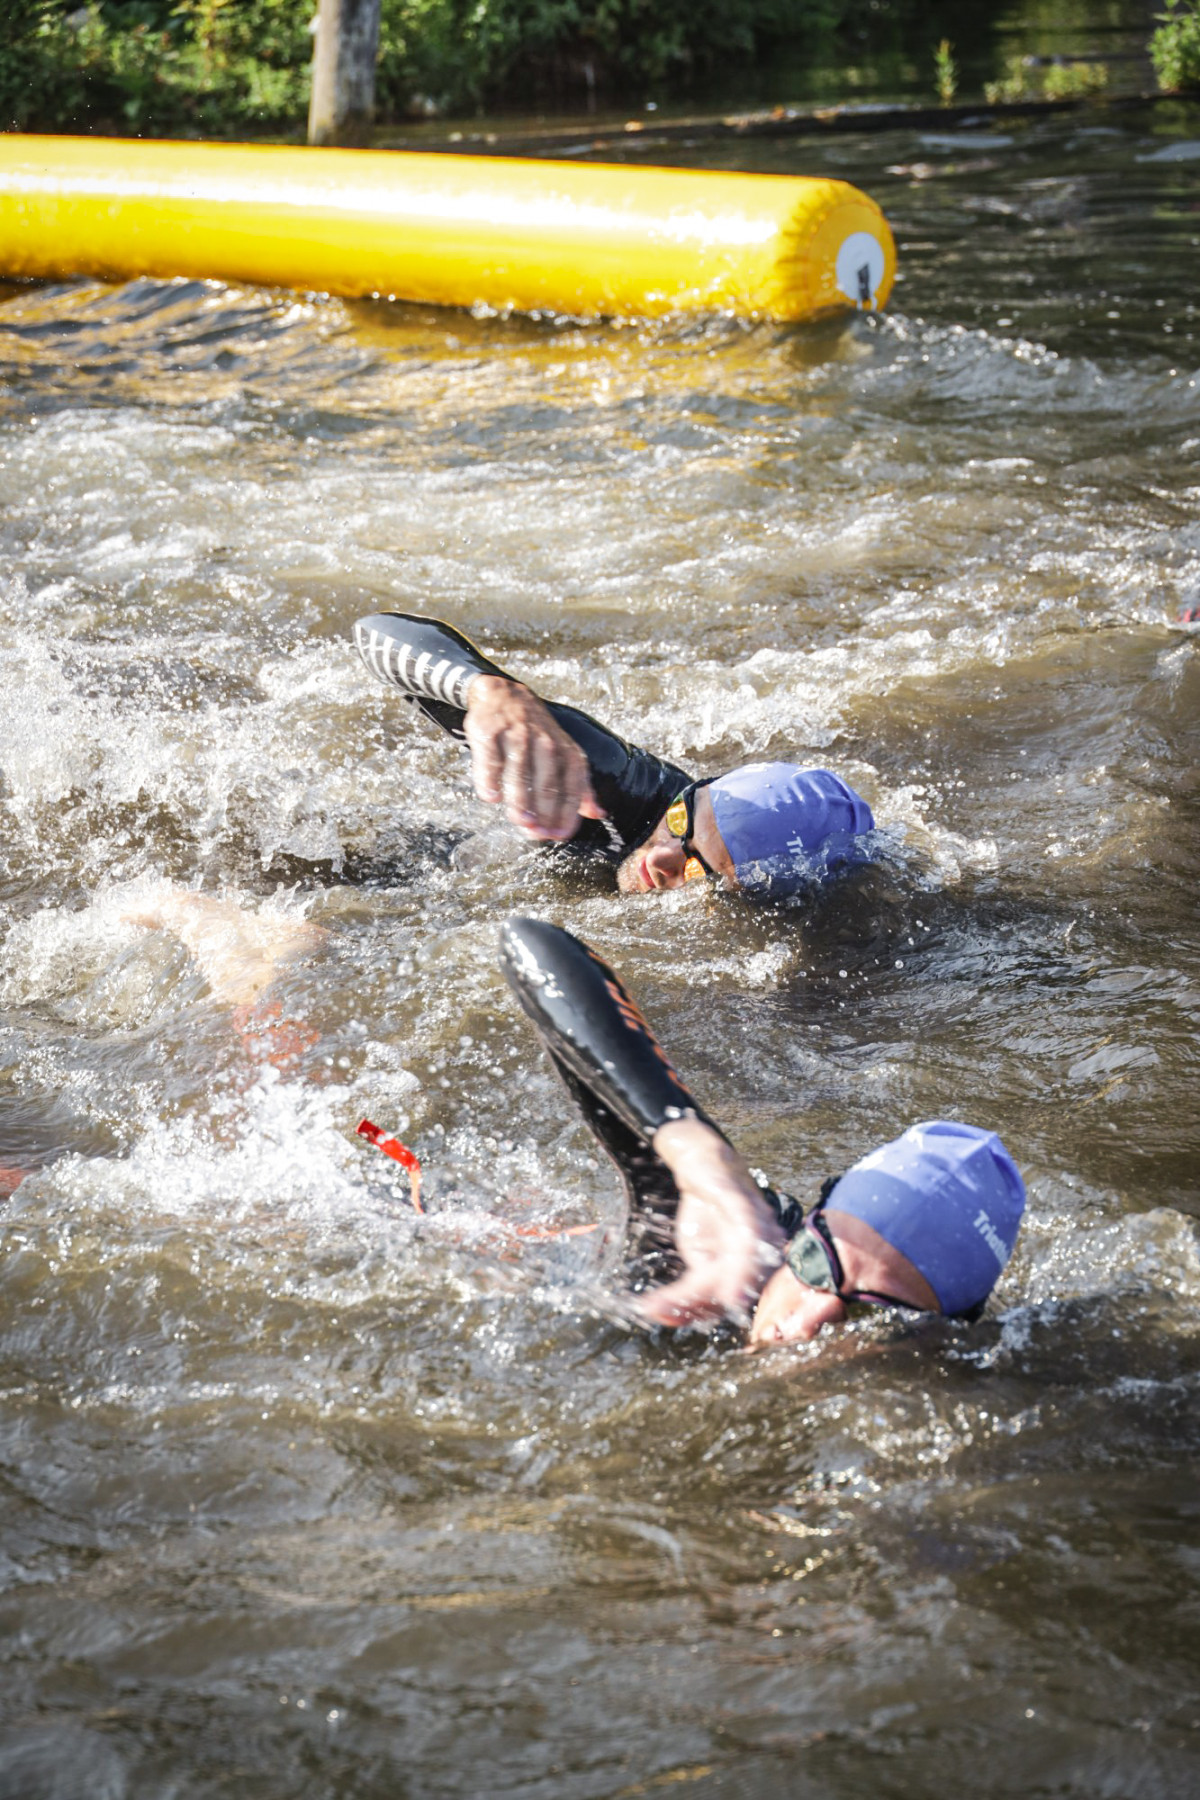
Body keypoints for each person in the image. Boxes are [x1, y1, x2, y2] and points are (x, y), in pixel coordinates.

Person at [498, 915, 1026, 1342]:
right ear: (809, 1227)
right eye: (814, 1263)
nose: (804, 1325)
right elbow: (534, 944)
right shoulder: (719, 1251)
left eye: (876, 1316)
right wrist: (697, 1152)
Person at [353, 612, 875, 899]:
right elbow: (374, 631)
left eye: (700, 871)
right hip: (426, 868)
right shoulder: (610, 779)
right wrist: (492, 691)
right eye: (680, 823)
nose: (661, 861)